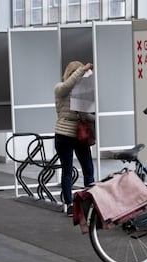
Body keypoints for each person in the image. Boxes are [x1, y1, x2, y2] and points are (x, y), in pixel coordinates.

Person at [54, 61, 95, 217]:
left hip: (78, 135)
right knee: (68, 170)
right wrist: (82, 70)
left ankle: (90, 202)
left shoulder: (80, 92)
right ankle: (70, 204)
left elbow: (84, 115)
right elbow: (67, 86)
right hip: (64, 133)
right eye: (75, 73)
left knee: (88, 169)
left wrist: (97, 119)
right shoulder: (60, 88)